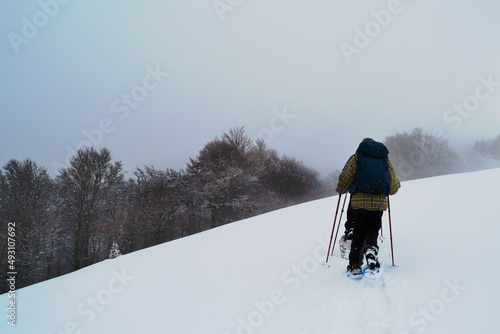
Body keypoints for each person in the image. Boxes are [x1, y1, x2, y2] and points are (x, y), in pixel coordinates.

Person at [335, 138, 400, 278]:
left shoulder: (357, 158)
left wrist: (341, 189)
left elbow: (346, 177)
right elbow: (393, 184)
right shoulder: (384, 160)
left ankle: (355, 266)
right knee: (373, 229)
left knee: (359, 231)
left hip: (359, 201)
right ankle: (371, 253)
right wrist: (388, 191)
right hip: (378, 203)